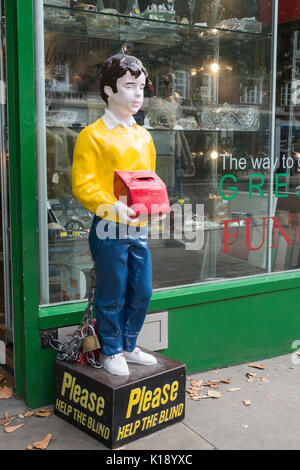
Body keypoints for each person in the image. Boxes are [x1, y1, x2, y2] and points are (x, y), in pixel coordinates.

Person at [72, 54, 157, 376]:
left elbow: (148, 179)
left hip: (137, 224)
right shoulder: (92, 135)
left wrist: (152, 204)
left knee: (142, 289)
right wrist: (113, 206)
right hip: (109, 224)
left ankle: (129, 342)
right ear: (109, 90)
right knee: (112, 291)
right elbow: (83, 183)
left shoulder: (143, 136)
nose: (138, 94)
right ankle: (111, 348)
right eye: (129, 86)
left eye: (141, 87)